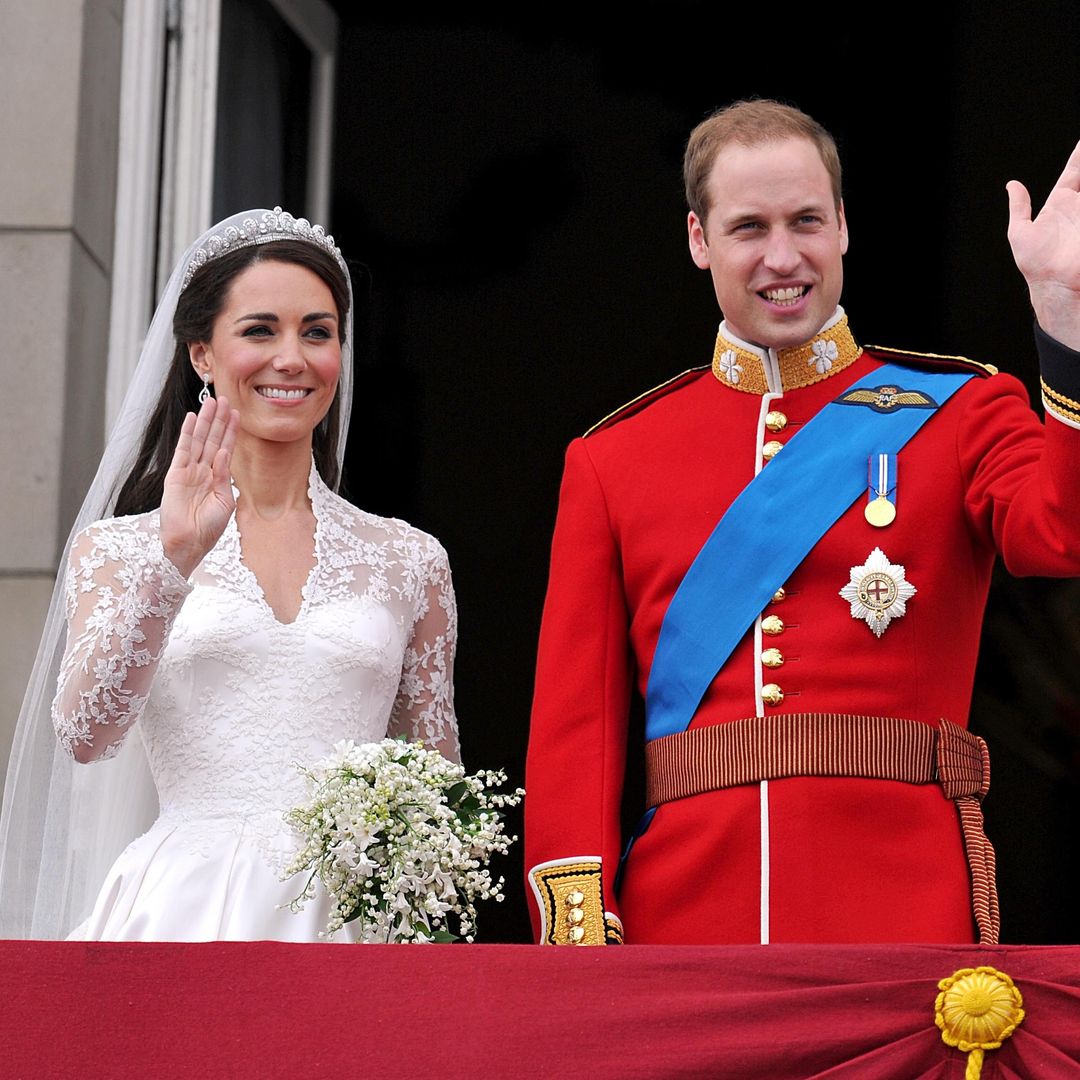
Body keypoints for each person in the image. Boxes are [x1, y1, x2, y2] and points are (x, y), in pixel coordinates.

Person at [524, 100, 1080, 946]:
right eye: (748, 227)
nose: (783, 257)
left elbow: (1061, 535)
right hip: (684, 920)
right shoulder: (613, 458)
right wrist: (576, 935)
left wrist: (1064, 323)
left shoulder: (961, 412)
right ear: (698, 240)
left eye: (807, 221)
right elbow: (579, 728)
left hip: (903, 906)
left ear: (845, 226)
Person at [0, 208, 459, 940]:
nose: (292, 357)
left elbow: (439, 800)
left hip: (349, 932)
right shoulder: (119, 549)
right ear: (201, 355)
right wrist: (175, 558)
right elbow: (85, 735)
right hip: (179, 917)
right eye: (259, 330)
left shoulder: (409, 560)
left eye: (318, 331)